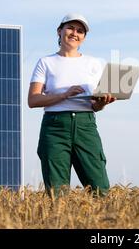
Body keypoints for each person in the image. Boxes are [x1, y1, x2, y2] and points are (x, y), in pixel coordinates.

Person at [28, 13, 116, 197]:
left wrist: (102, 103)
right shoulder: (46, 62)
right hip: (55, 127)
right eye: (70, 28)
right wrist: (64, 95)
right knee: (56, 194)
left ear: (84, 37)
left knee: (100, 189)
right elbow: (33, 100)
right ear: (59, 31)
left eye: (80, 31)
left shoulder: (94, 63)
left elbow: (95, 106)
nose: (75, 33)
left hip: (86, 126)